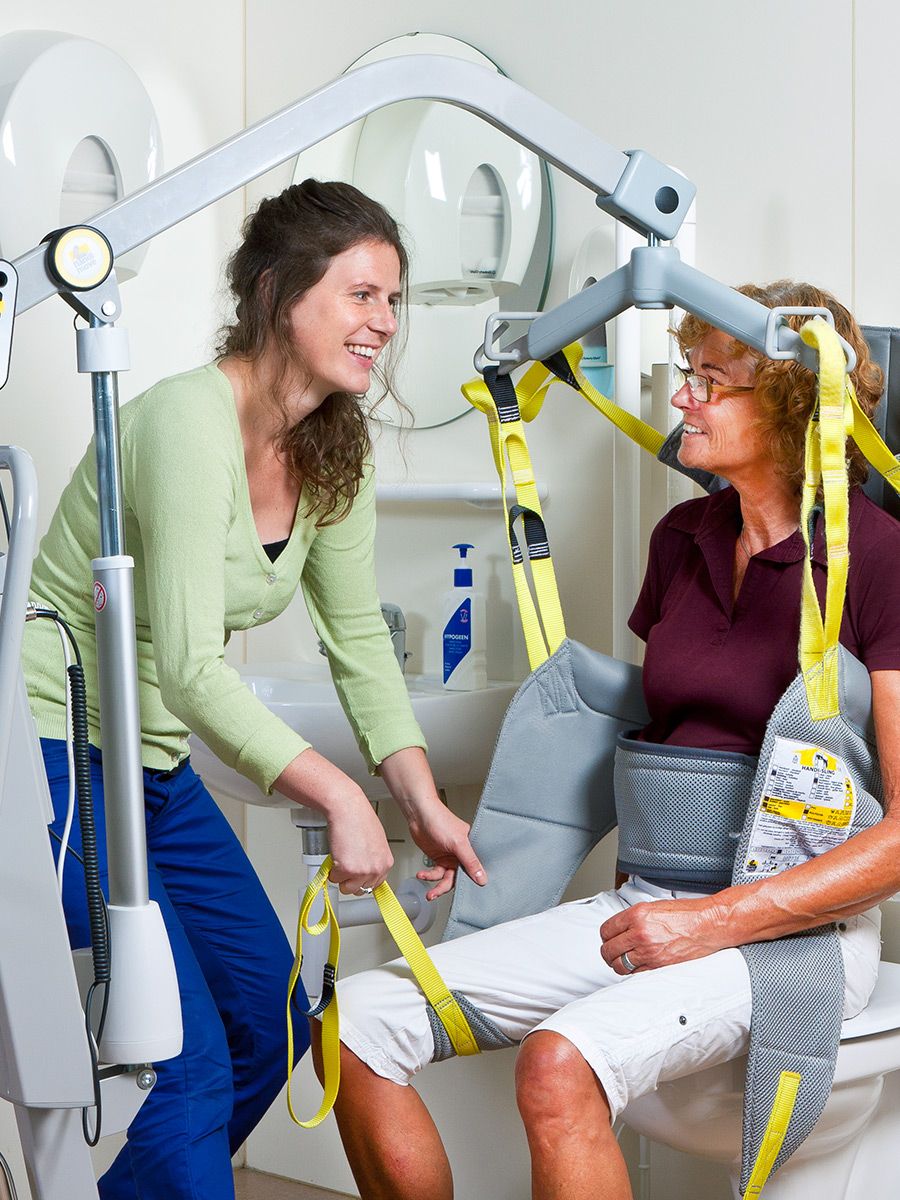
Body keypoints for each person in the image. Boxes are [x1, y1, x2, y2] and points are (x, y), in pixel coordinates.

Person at [318, 280, 900, 1200]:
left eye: (711, 380)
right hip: (651, 899)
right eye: (686, 370)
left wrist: (711, 922)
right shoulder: (681, 539)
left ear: (794, 407)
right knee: (353, 1023)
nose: (683, 398)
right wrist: (497, 854)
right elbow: (653, 737)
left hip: (797, 931)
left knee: (559, 1064)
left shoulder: (879, 560)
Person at [22, 179, 485, 1200]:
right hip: (52, 753)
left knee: (273, 1023)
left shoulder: (333, 449)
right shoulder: (187, 420)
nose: (385, 323)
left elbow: (357, 639)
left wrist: (419, 799)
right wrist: (340, 792)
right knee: (184, 1062)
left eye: (393, 300)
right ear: (278, 294)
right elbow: (192, 666)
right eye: (361, 294)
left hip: (150, 762)